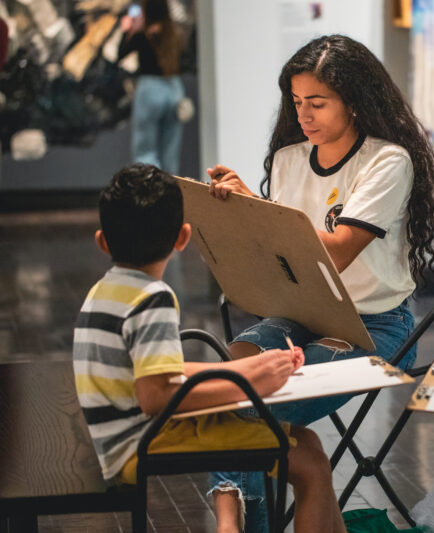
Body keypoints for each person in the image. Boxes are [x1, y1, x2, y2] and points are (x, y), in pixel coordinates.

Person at [205, 34, 434, 530]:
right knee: (226, 384)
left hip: (373, 326)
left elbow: (334, 252)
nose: (304, 115)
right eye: (296, 103)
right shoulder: (288, 158)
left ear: (354, 102)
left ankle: (237, 525)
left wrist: (263, 216)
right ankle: (301, 475)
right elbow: (280, 251)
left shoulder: (387, 160)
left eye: (317, 103)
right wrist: (244, 213)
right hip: (298, 315)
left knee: (254, 408)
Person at [73, 164, 345, 533]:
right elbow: (155, 396)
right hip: (141, 443)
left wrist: (251, 369)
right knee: (310, 464)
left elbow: (158, 373)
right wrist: (251, 389)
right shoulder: (153, 298)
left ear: (102, 241)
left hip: (117, 439)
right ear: (183, 237)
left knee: (307, 442)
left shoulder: (104, 291)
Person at [118, 0, 185, 175]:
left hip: (150, 89)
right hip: (174, 88)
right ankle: (172, 189)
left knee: (145, 148)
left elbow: (121, 53)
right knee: (171, 150)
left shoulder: (143, 35)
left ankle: (148, 190)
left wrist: (128, 29)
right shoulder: (174, 34)